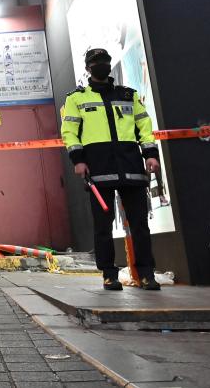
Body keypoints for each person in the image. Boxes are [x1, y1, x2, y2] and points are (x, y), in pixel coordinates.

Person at [60, 48, 162, 291]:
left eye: (104, 61)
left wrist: (150, 154)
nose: (101, 66)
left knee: (139, 225)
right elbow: (69, 133)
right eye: (96, 63)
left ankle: (146, 274)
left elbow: (143, 126)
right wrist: (78, 160)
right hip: (98, 169)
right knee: (103, 227)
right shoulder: (76, 99)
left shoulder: (128, 95)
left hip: (131, 167)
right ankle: (109, 274)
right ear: (88, 68)